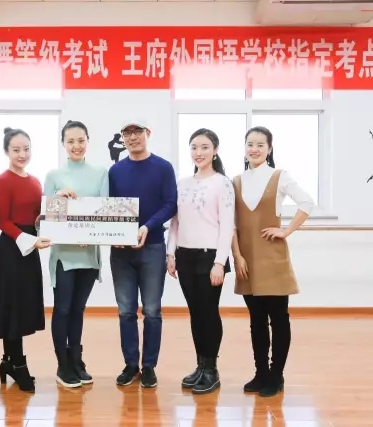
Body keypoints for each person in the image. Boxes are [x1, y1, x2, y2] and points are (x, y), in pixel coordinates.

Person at [231, 126, 315, 398]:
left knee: (278, 318)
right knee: (256, 320)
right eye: (250, 144)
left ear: (269, 149)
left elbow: (307, 202)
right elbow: (232, 225)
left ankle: (276, 374)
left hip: (272, 257)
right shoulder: (235, 181)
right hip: (247, 259)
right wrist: (237, 256)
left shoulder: (280, 177)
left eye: (260, 144)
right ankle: (261, 373)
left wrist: (286, 230)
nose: (254, 149)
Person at [108, 119, 178, 388]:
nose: (132, 137)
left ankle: (149, 366)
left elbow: (170, 204)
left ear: (147, 133)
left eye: (137, 132)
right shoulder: (115, 171)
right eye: (127, 133)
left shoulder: (163, 167)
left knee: (152, 310)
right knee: (126, 311)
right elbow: (108, 207)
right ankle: (130, 365)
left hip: (153, 247)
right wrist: (111, 235)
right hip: (121, 252)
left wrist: (148, 227)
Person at [0, 127, 51, 393]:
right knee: (11, 309)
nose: (22, 154)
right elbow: (3, 221)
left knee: (22, 307)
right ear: (6, 152)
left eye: (26, 149)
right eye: (16, 150)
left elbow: (37, 216)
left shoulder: (35, 181)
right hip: (10, 252)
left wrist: (58, 203)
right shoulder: (3, 181)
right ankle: (17, 364)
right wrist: (29, 240)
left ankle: (9, 362)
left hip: (29, 249)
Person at [166, 128, 234, 395]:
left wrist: (220, 262)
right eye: (194, 147)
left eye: (205, 147)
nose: (199, 152)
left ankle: (212, 370)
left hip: (210, 257)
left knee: (208, 312)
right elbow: (175, 222)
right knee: (195, 313)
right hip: (185, 255)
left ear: (215, 150)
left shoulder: (222, 183)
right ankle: (201, 365)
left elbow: (227, 225)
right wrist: (171, 253)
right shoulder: (183, 183)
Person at [43, 120, 109, 388]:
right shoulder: (54, 176)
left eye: (81, 140)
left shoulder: (101, 173)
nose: (76, 146)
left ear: (87, 141)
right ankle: (63, 364)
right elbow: (47, 219)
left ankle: (76, 359)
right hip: (64, 255)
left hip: (89, 254)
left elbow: (105, 212)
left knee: (78, 310)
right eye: (70, 141)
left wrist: (92, 235)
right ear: (63, 144)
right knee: (63, 308)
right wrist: (58, 198)